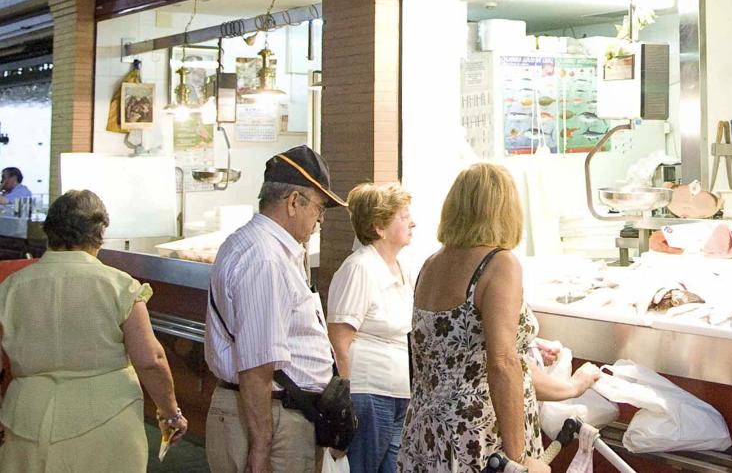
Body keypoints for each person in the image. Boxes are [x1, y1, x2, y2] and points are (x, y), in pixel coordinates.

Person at [0, 189, 187, 471]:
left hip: (27, 419)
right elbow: (150, 360)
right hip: (108, 418)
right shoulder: (120, 286)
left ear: (49, 231)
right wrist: (170, 413)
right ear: (100, 233)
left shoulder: (11, 287)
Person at [205, 145, 348, 473]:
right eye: (319, 207)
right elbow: (257, 364)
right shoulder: (265, 258)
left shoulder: (271, 249)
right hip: (269, 419)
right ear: (294, 201)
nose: (321, 219)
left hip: (278, 413)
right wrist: (260, 449)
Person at [398, 163, 547, 473]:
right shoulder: (499, 264)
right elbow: (502, 362)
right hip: (479, 437)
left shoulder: (431, 265)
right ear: (504, 209)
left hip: (427, 431)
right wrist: (518, 458)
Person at [327, 183, 416, 473]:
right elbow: (339, 341)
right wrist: (345, 403)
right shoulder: (360, 268)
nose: (412, 222)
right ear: (379, 227)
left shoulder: (401, 268)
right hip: (368, 394)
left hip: (399, 394)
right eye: (403, 216)